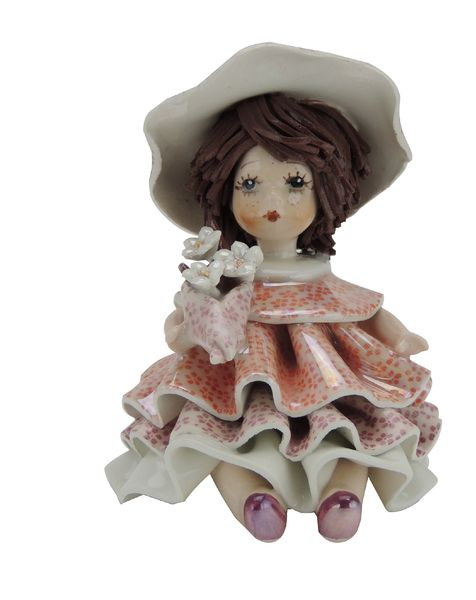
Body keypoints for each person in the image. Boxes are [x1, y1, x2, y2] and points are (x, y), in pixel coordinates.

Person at [105, 43, 441, 543]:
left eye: (295, 182)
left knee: (350, 425)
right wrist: (189, 331)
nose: (272, 203)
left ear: (327, 188)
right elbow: (184, 326)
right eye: (249, 185)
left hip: (326, 373)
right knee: (215, 432)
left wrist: (399, 337)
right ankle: (252, 497)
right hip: (238, 375)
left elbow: (364, 309)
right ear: (224, 191)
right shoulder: (228, 276)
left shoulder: (318, 276)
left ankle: (342, 491)